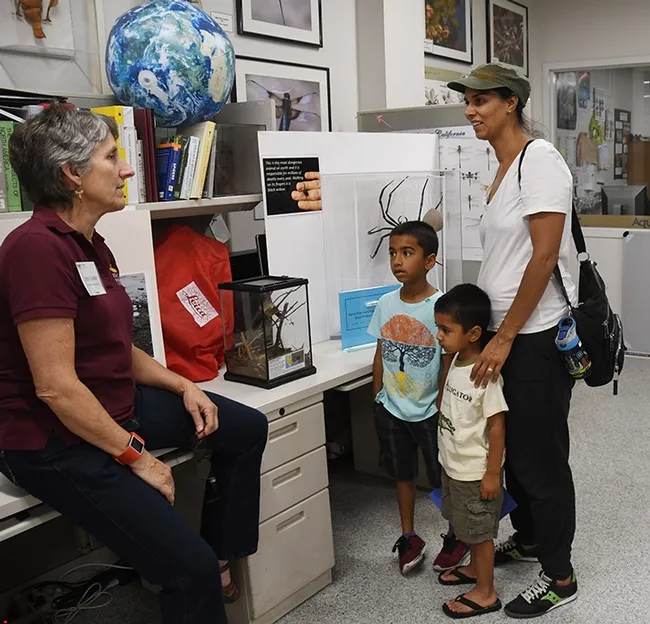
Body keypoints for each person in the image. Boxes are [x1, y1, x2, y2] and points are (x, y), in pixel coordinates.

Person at [0, 104, 268, 624]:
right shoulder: (35, 251)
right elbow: (55, 388)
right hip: (53, 439)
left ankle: (218, 557)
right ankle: (194, 567)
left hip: (113, 405)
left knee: (244, 427)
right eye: (111, 157)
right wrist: (138, 459)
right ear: (72, 175)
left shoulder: (90, 243)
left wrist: (184, 385)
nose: (126, 169)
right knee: (183, 569)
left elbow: (115, 345)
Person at [447, 62, 578, 618]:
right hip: (504, 333)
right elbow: (507, 256)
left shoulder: (539, 161)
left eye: (482, 101)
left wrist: (503, 338)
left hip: (535, 336)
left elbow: (545, 258)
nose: (471, 111)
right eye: (468, 101)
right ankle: (527, 540)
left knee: (538, 456)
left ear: (511, 104)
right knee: (515, 453)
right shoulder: (498, 168)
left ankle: (559, 574)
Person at [368, 220, 468, 575]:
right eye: (393, 253)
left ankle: (457, 533)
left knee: (442, 475)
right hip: (392, 408)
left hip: (429, 409)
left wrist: (442, 402)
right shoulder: (384, 302)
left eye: (407, 253)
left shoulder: (441, 306)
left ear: (429, 261)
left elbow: (448, 361)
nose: (397, 261)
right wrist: (378, 392)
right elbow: (381, 351)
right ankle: (408, 534)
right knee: (402, 473)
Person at [434, 284, 508, 619]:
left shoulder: (485, 374)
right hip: (453, 464)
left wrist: (492, 473)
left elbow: (497, 425)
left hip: (476, 472)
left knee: (480, 535)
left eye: (446, 330)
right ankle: (478, 572)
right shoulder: (456, 360)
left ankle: (486, 592)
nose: (438, 336)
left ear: (474, 333)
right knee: (465, 524)